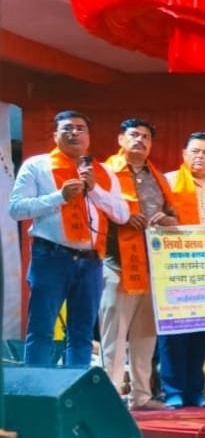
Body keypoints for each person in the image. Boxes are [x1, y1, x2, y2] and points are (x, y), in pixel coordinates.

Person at [10, 110, 128, 368]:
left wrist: (95, 189)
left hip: (91, 260)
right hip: (51, 257)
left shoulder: (104, 172)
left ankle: (76, 387)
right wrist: (59, 197)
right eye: (67, 128)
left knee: (82, 332)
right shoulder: (37, 166)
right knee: (42, 328)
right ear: (55, 135)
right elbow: (16, 209)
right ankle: (37, 386)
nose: (74, 132)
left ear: (88, 136)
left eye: (80, 128)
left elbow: (122, 214)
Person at [99, 118, 177, 411]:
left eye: (146, 136)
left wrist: (169, 221)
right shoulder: (106, 173)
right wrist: (122, 218)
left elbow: (174, 216)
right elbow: (95, 210)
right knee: (114, 337)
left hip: (152, 267)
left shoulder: (158, 177)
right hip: (117, 265)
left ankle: (142, 396)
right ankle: (109, 399)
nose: (140, 140)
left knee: (146, 336)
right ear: (121, 139)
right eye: (134, 134)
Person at [161, 132, 205, 409]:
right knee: (173, 333)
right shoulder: (168, 182)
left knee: (202, 333)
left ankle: (196, 390)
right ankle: (172, 390)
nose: (199, 156)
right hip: (175, 268)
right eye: (194, 151)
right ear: (184, 154)